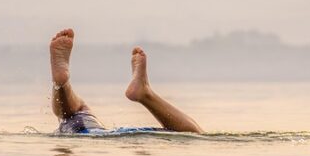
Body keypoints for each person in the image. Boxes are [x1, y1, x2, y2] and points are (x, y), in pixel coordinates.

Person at [49, 28, 203, 134]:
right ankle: (145, 94)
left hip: (87, 132)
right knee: (194, 135)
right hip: (124, 135)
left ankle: (61, 84)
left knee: (77, 111)